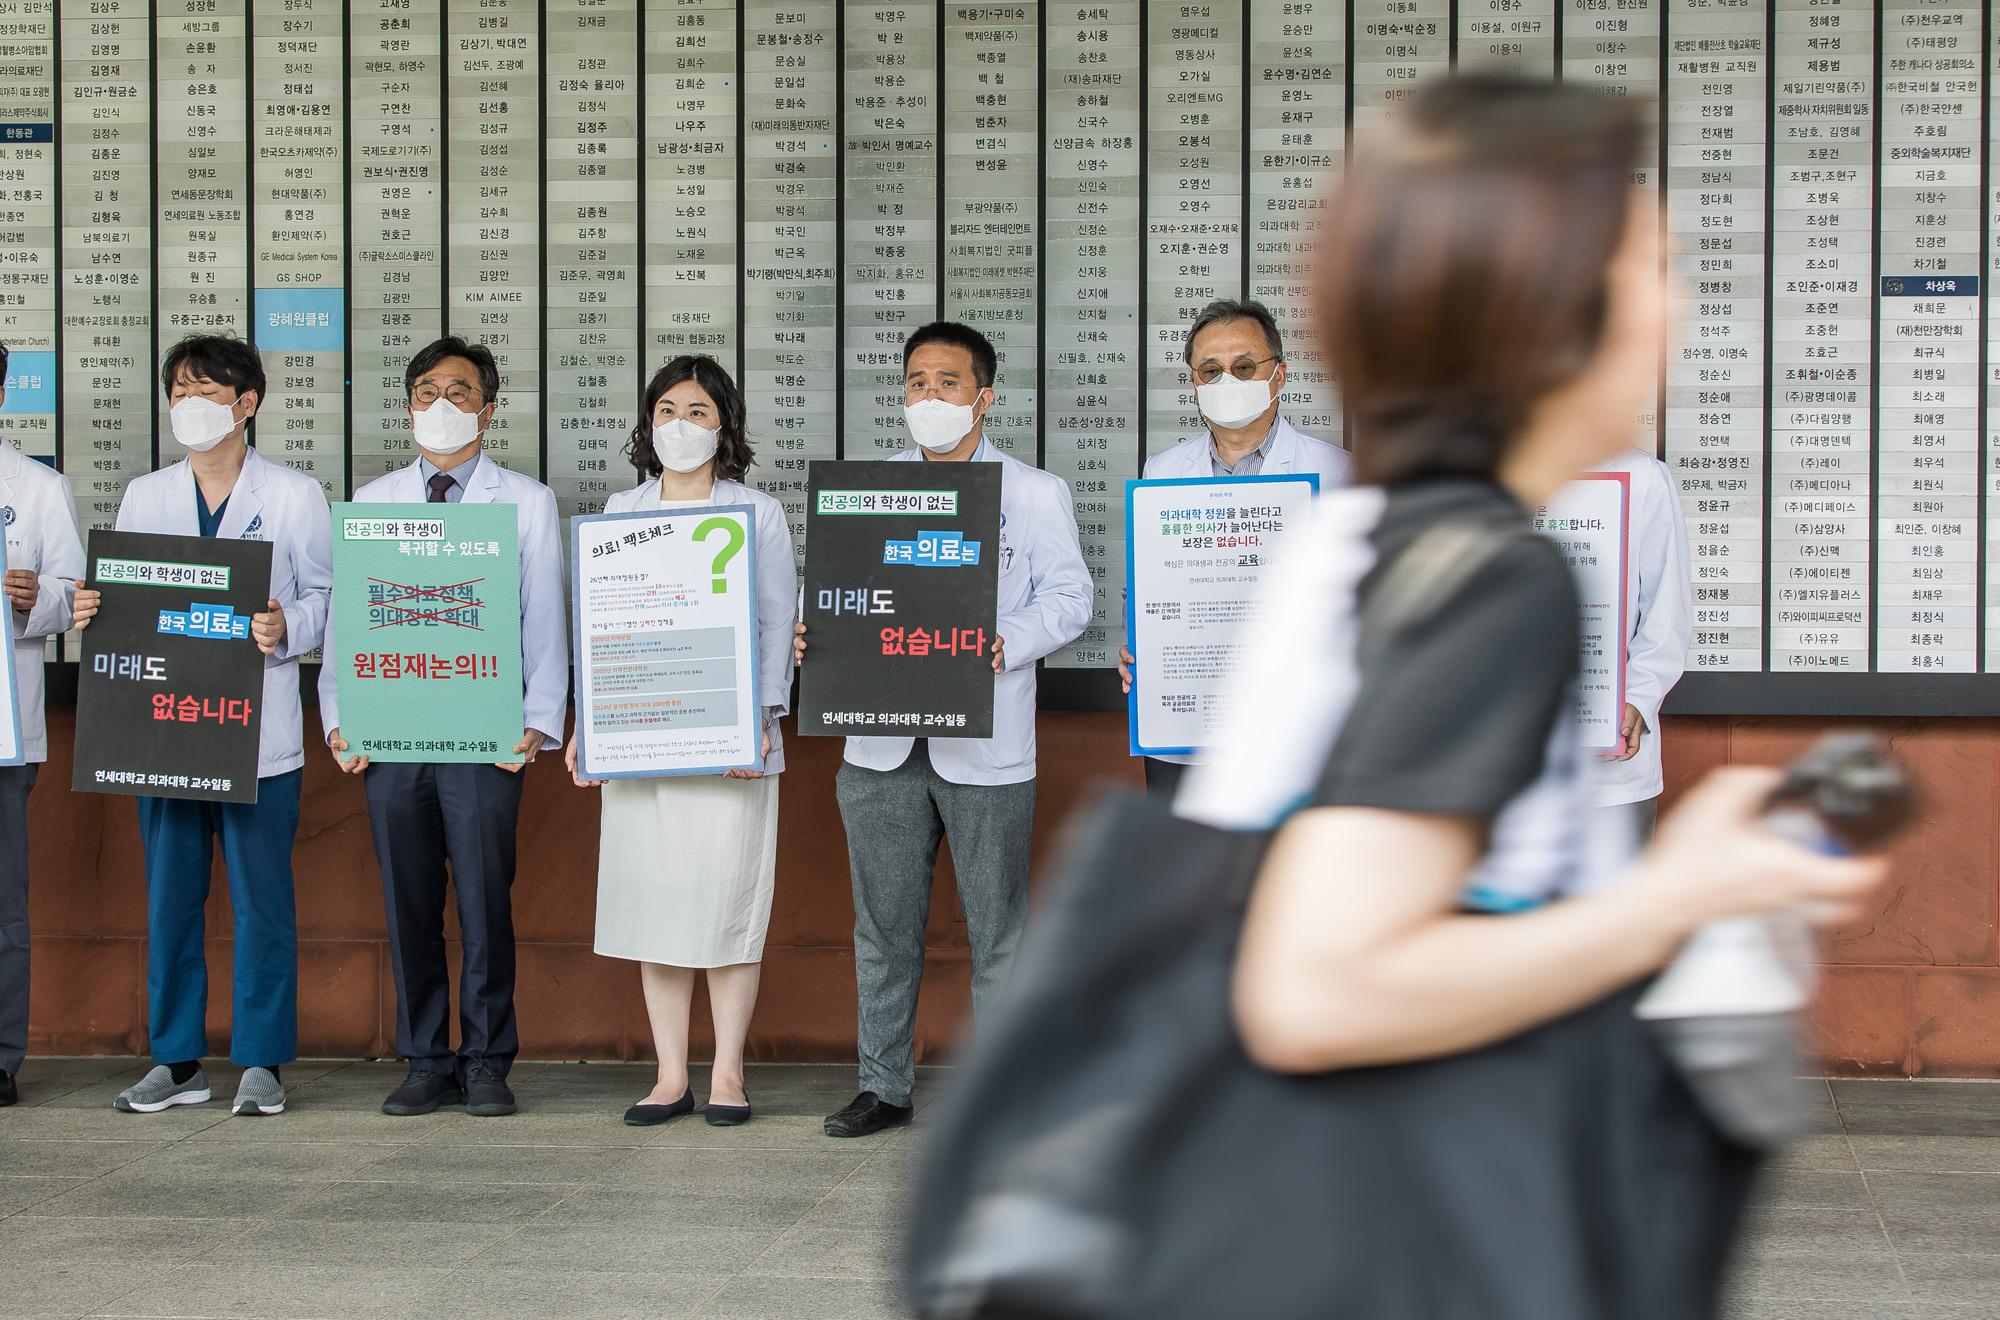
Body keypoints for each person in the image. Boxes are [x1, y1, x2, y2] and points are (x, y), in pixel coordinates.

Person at [1169, 78, 1888, 1316]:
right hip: (1419, 1225)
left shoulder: (1366, 535)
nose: (1677, 303)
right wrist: (1675, 898)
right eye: (1643, 264)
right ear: (1543, 309)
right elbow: (1315, 990)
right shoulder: (1488, 580)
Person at [796, 321, 1092, 1138]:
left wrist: (1007, 641)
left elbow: (1071, 601)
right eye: (917, 382)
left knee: (1001, 934)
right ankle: (882, 1086)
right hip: (881, 745)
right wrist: (809, 631)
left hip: (985, 741)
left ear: (984, 397)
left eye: (948, 383)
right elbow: (834, 592)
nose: (930, 398)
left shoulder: (1032, 492)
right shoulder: (867, 491)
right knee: (882, 931)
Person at [72, 335, 333, 1118]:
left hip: (257, 737)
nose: (191, 404)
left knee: (262, 901)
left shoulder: (294, 495)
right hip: (166, 733)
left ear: (246, 404)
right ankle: (177, 1062)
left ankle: (261, 1063)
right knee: (171, 900)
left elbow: (329, 603)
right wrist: (93, 609)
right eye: (180, 389)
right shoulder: (145, 495)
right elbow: (124, 603)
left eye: (207, 390)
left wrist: (288, 623)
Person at [320, 337, 566, 1119]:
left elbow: (544, 621)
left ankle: (488, 1059)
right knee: (410, 898)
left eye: (459, 393)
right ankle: (427, 1057)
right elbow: (348, 626)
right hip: (391, 736)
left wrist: (537, 719)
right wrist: (339, 719)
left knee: (488, 900)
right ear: (407, 406)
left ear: (488, 411)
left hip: (487, 735)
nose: (441, 406)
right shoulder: (373, 501)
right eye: (426, 391)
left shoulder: (525, 502)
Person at [565, 355, 795, 1128]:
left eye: (697, 411)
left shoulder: (756, 512)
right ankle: (670, 1076)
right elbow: (601, 630)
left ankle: (727, 1072)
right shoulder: (620, 507)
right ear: (647, 421)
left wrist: (756, 724)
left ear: (723, 423)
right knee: (655, 906)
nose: (681, 424)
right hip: (642, 739)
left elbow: (772, 624)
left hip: (732, 747)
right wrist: (587, 730)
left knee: (729, 905)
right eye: (667, 409)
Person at [1117, 298, 1352, 801]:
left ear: (1280, 374)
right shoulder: (1161, 472)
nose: (1228, 381)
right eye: (1210, 370)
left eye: (1244, 367)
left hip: (1296, 732)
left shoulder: (1339, 474)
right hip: (1184, 730)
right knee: (1184, 872)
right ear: (1194, 384)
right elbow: (1146, 584)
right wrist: (1144, 646)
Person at [0, 343, 85, 1108]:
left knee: (2, 903)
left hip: (1, 736)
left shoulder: (37, 488)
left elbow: (75, 598)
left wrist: (34, 599)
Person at [1593, 444, 1691, 840]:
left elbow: (1668, 607)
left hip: (1610, 767)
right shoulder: (1478, 465)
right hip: (1497, 758)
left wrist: (1638, 697)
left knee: (1617, 898)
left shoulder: (1642, 473)